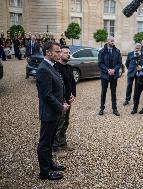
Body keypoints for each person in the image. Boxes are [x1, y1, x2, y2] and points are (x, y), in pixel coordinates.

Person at [36, 41, 70, 180]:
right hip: (49, 113)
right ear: (48, 52)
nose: (59, 53)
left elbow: (57, 88)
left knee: (50, 141)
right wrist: (60, 106)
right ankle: (44, 172)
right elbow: (47, 95)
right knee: (44, 143)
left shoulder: (52, 66)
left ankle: (50, 164)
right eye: (56, 51)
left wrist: (63, 100)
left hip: (55, 111)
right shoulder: (43, 69)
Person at [53, 46, 76, 152]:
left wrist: (73, 95)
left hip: (68, 100)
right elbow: (57, 87)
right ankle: (55, 147)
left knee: (66, 122)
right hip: (60, 101)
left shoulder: (69, 67)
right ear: (60, 54)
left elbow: (73, 82)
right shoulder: (55, 67)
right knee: (58, 124)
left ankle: (62, 143)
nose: (68, 54)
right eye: (66, 52)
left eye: (69, 52)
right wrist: (62, 101)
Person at [98, 36, 122, 116]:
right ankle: (101, 108)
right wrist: (107, 70)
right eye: (111, 41)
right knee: (103, 92)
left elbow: (119, 63)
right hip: (105, 75)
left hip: (114, 75)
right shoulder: (102, 51)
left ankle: (114, 109)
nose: (112, 42)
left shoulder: (117, 51)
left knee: (113, 92)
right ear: (107, 41)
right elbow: (100, 63)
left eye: (113, 41)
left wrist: (114, 70)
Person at [131, 48, 143, 114]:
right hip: (139, 82)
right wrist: (137, 72)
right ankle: (135, 109)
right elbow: (136, 69)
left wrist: (142, 69)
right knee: (136, 96)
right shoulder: (140, 61)